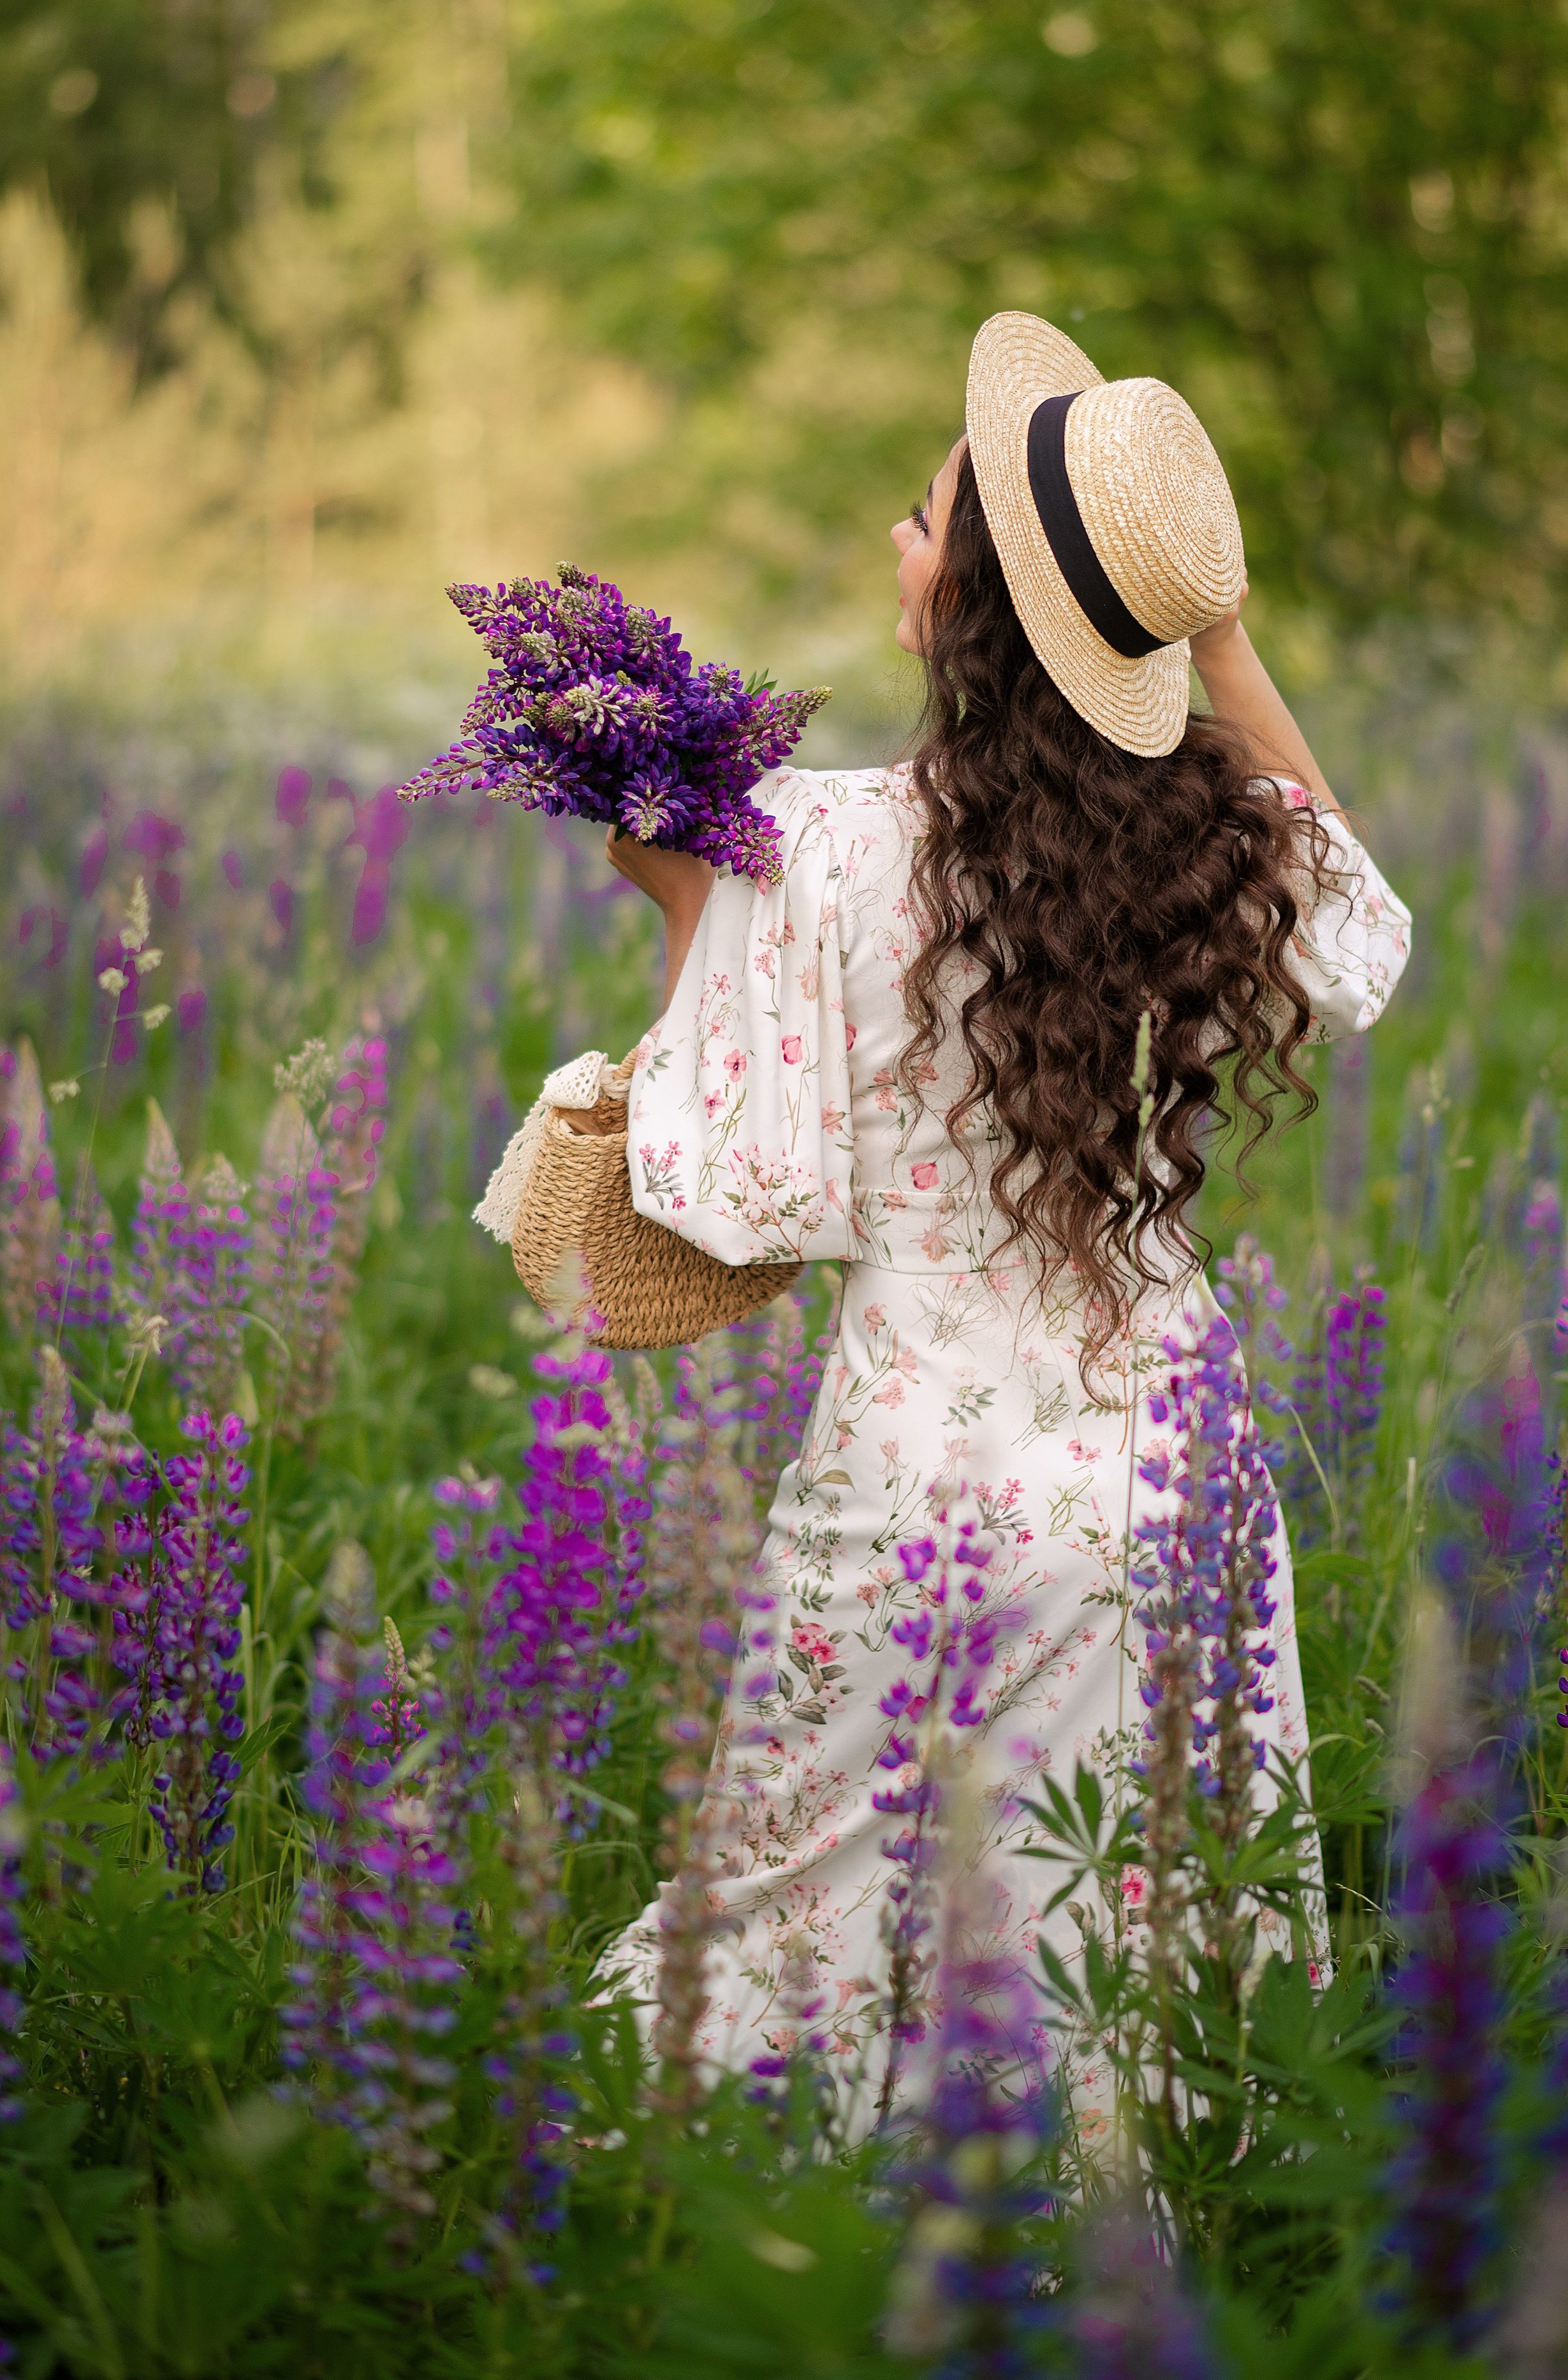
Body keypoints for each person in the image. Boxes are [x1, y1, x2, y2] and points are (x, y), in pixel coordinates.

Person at [595, 313, 1410, 2139]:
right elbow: (1360, 929)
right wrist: (1213, 639)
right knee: (1129, 1905)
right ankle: (1110, 2217)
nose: (896, 537)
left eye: (919, 516)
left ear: (964, 601)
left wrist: (683, 915)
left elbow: (732, 1191)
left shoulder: (812, 846)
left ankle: (799, 2216)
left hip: (918, 1466)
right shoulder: (1215, 849)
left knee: (805, 1916)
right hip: (1166, 1459)